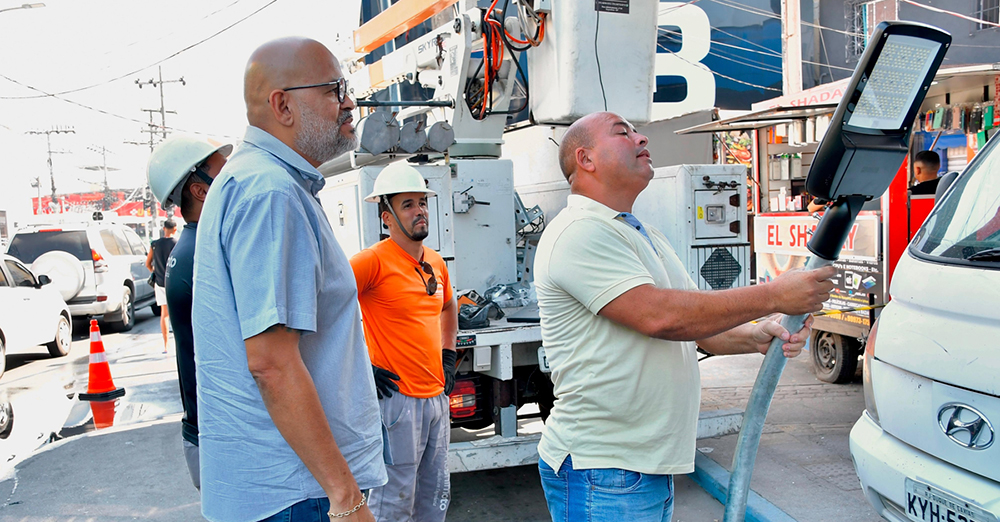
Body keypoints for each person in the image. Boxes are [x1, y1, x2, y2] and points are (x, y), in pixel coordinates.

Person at [533, 112, 837, 522]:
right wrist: (776, 293)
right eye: (623, 133)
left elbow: (699, 332)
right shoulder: (581, 231)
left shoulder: (640, 232)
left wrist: (757, 335)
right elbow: (662, 318)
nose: (641, 137)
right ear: (585, 159)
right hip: (603, 468)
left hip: (640, 467)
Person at [191, 37, 386, 522]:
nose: (349, 102)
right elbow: (272, 365)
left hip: (289, 489)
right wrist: (345, 497)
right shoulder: (270, 193)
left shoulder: (259, 182)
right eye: (334, 89)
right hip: (299, 494)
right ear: (283, 105)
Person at [350, 163, 458, 522]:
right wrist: (359, 366)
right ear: (387, 217)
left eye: (422, 202)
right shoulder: (371, 262)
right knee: (392, 505)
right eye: (408, 204)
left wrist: (448, 353)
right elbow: (323, 312)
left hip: (435, 401)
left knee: (434, 499)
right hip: (396, 403)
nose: (420, 211)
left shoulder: (436, 262)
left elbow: (448, 307)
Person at [146, 135, 232, 490]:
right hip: (221, 433)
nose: (233, 182)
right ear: (199, 190)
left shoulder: (197, 245)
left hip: (212, 428)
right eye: (223, 175)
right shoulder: (202, 254)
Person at [146, 219, 176, 354]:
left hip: (160, 283)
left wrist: (155, 273)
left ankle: (166, 345)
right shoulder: (177, 243)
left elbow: (148, 264)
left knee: (164, 314)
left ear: (164, 228)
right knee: (178, 313)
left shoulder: (155, 244)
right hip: (174, 282)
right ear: (175, 229)